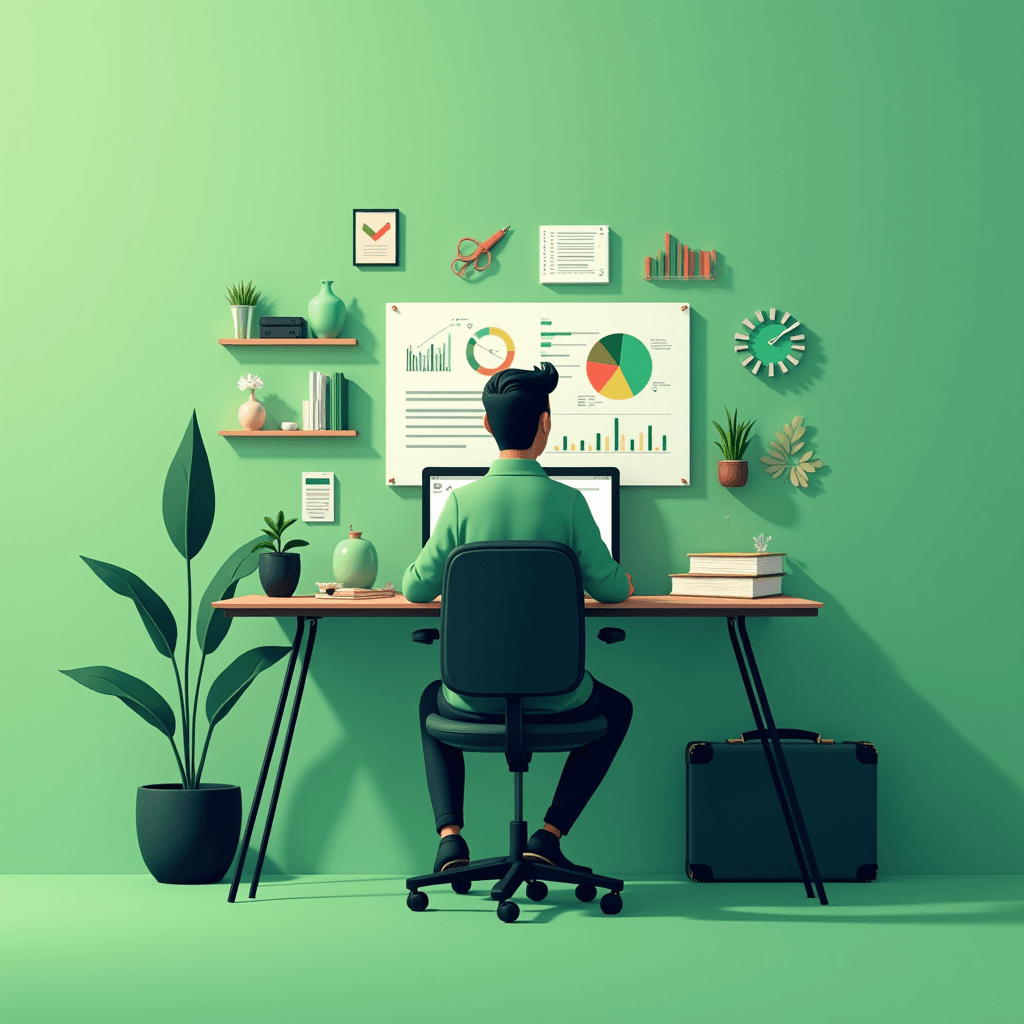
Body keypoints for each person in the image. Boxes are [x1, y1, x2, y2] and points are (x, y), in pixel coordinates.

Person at [403, 362, 634, 875]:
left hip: (473, 697)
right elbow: (614, 591)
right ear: (546, 424)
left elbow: (414, 590)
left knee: (429, 700)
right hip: (560, 697)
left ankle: (449, 839)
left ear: (486, 426)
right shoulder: (570, 502)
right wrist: (625, 580)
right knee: (617, 708)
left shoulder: (460, 502)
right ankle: (548, 836)